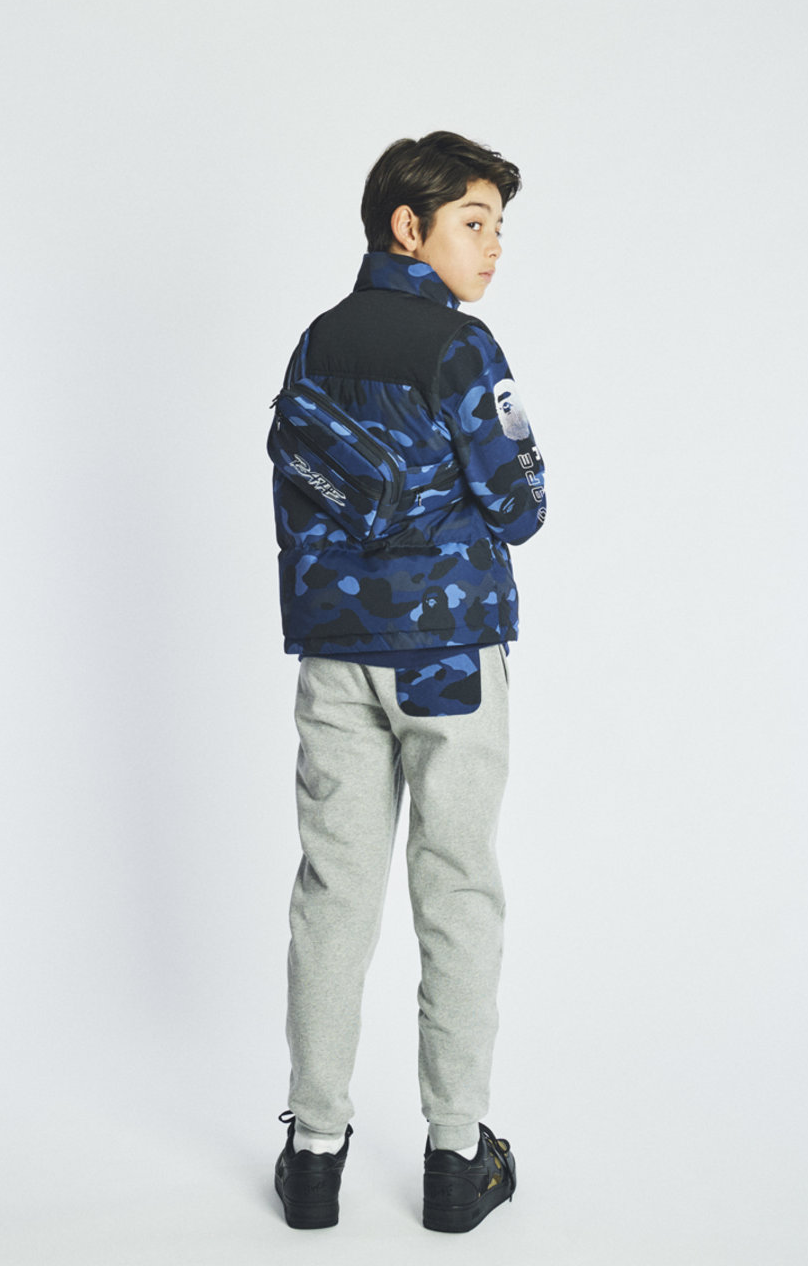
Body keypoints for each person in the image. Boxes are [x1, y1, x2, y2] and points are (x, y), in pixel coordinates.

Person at [269, 131, 546, 1233]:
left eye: (498, 227)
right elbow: (522, 505)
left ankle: (314, 1157)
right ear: (408, 226)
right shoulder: (461, 348)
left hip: (335, 655)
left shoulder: (317, 340)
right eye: (474, 223)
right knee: (457, 890)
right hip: (447, 662)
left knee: (333, 895)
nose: (493, 247)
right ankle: (456, 1158)